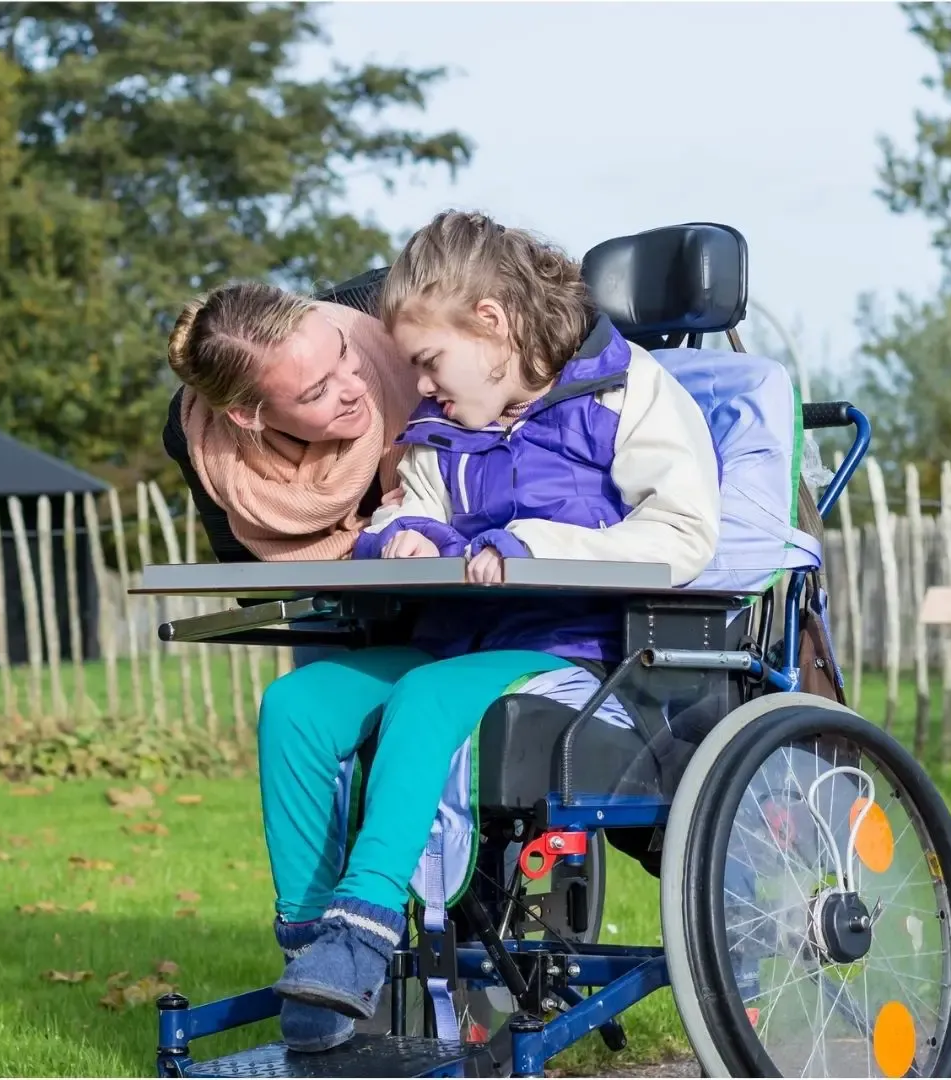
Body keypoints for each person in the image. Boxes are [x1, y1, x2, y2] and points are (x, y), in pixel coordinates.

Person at [258, 210, 724, 1051]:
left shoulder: (628, 394)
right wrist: (404, 536)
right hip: (457, 645)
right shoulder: (442, 428)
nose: (421, 385)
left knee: (429, 696)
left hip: (580, 662)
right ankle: (313, 951)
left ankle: (362, 935)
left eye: (429, 361)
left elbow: (684, 536)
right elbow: (414, 512)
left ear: (492, 323)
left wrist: (532, 544)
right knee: (298, 706)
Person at [163, 279, 421, 566]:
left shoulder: (400, 303)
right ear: (248, 416)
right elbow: (250, 581)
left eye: (343, 351)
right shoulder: (196, 436)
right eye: (318, 392)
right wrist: (381, 536)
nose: (358, 388)